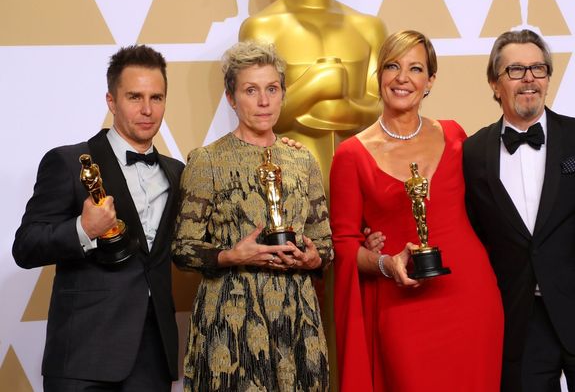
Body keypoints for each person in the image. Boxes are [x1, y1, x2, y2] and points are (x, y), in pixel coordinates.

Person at [462, 29, 575, 391]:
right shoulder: (472, 154)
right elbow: (472, 237)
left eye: (539, 68)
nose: (529, 78)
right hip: (520, 324)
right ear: (494, 82)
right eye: (515, 70)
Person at [330, 30, 504, 391]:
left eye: (416, 68)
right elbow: (343, 244)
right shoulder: (351, 154)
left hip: (470, 297)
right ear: (379, 77)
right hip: (401, 302)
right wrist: (383, 262)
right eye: (393, 66)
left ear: (430, 81)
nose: (403, 78)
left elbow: (496, 204)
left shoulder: (456, 135)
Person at [13, 45, 184, 391]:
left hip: (152, 358)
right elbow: (26, 246)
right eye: (135, 97)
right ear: (111, 101)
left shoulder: (178, 172)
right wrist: (83, 229)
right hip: (83, 358)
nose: (147, 110)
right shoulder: (68, 162)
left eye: (157, 97)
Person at [172, 40, 333, 391]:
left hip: (296, 318)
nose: (263, 101)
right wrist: (231, 255)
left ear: (282, 94)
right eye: (251, 90)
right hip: (230, 318)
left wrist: (310, 258)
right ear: (231, 98)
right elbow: (183, 248)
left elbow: (325, 247)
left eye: (272, 89)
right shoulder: (207, 160)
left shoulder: (302, 160)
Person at [239, 0, 386, 183]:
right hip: (287, 181)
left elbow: (384, 108)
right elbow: (253, 114)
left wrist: (348, 111)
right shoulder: (262, 29)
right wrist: (314, 86)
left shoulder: (369, 28)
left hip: (363, 179)